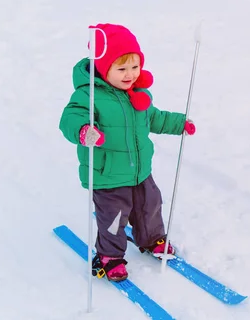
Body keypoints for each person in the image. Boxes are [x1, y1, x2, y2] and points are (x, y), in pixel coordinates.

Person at [59, 23, 196, 282]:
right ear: (103, 67)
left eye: (135, 67)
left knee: (150, 205)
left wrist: (180, 124)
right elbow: (70, 117)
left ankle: (152, 238)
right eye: (121, 68)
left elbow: (154, 118)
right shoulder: (89, 96)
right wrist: (84, 130)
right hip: (108, 175)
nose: (129, 74)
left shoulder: (139, 94)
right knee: (114, 218)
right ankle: (110, 256)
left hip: (140, 172)